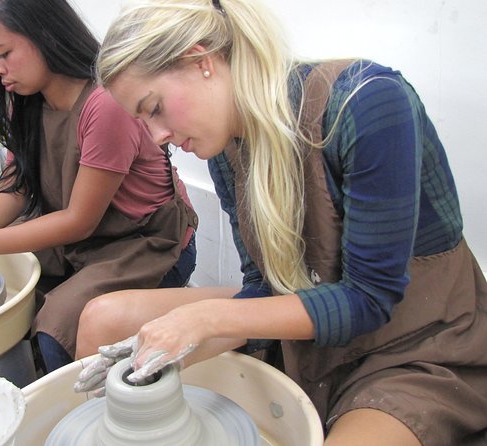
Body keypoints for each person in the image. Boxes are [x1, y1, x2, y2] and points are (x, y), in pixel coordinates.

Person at [73, 0, 487, 444]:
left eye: (153, 109)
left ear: (201, 60)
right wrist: (169, 351)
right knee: (105, 318)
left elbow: (369, 299)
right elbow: (261, 282)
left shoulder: (368, 102)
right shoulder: (225, 148)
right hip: (309, 314)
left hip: (411, 341)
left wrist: (208, 320)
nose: (157, 138)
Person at [0, 0, 198, 374]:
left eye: (4, 54)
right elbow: (14, 191)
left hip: (147, 244)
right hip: (84, 242)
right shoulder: (27, 103)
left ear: (46, 36)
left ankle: (70, 406)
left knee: (57, 325)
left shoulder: (104, 104)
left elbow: (78, 221)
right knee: (3, 283)